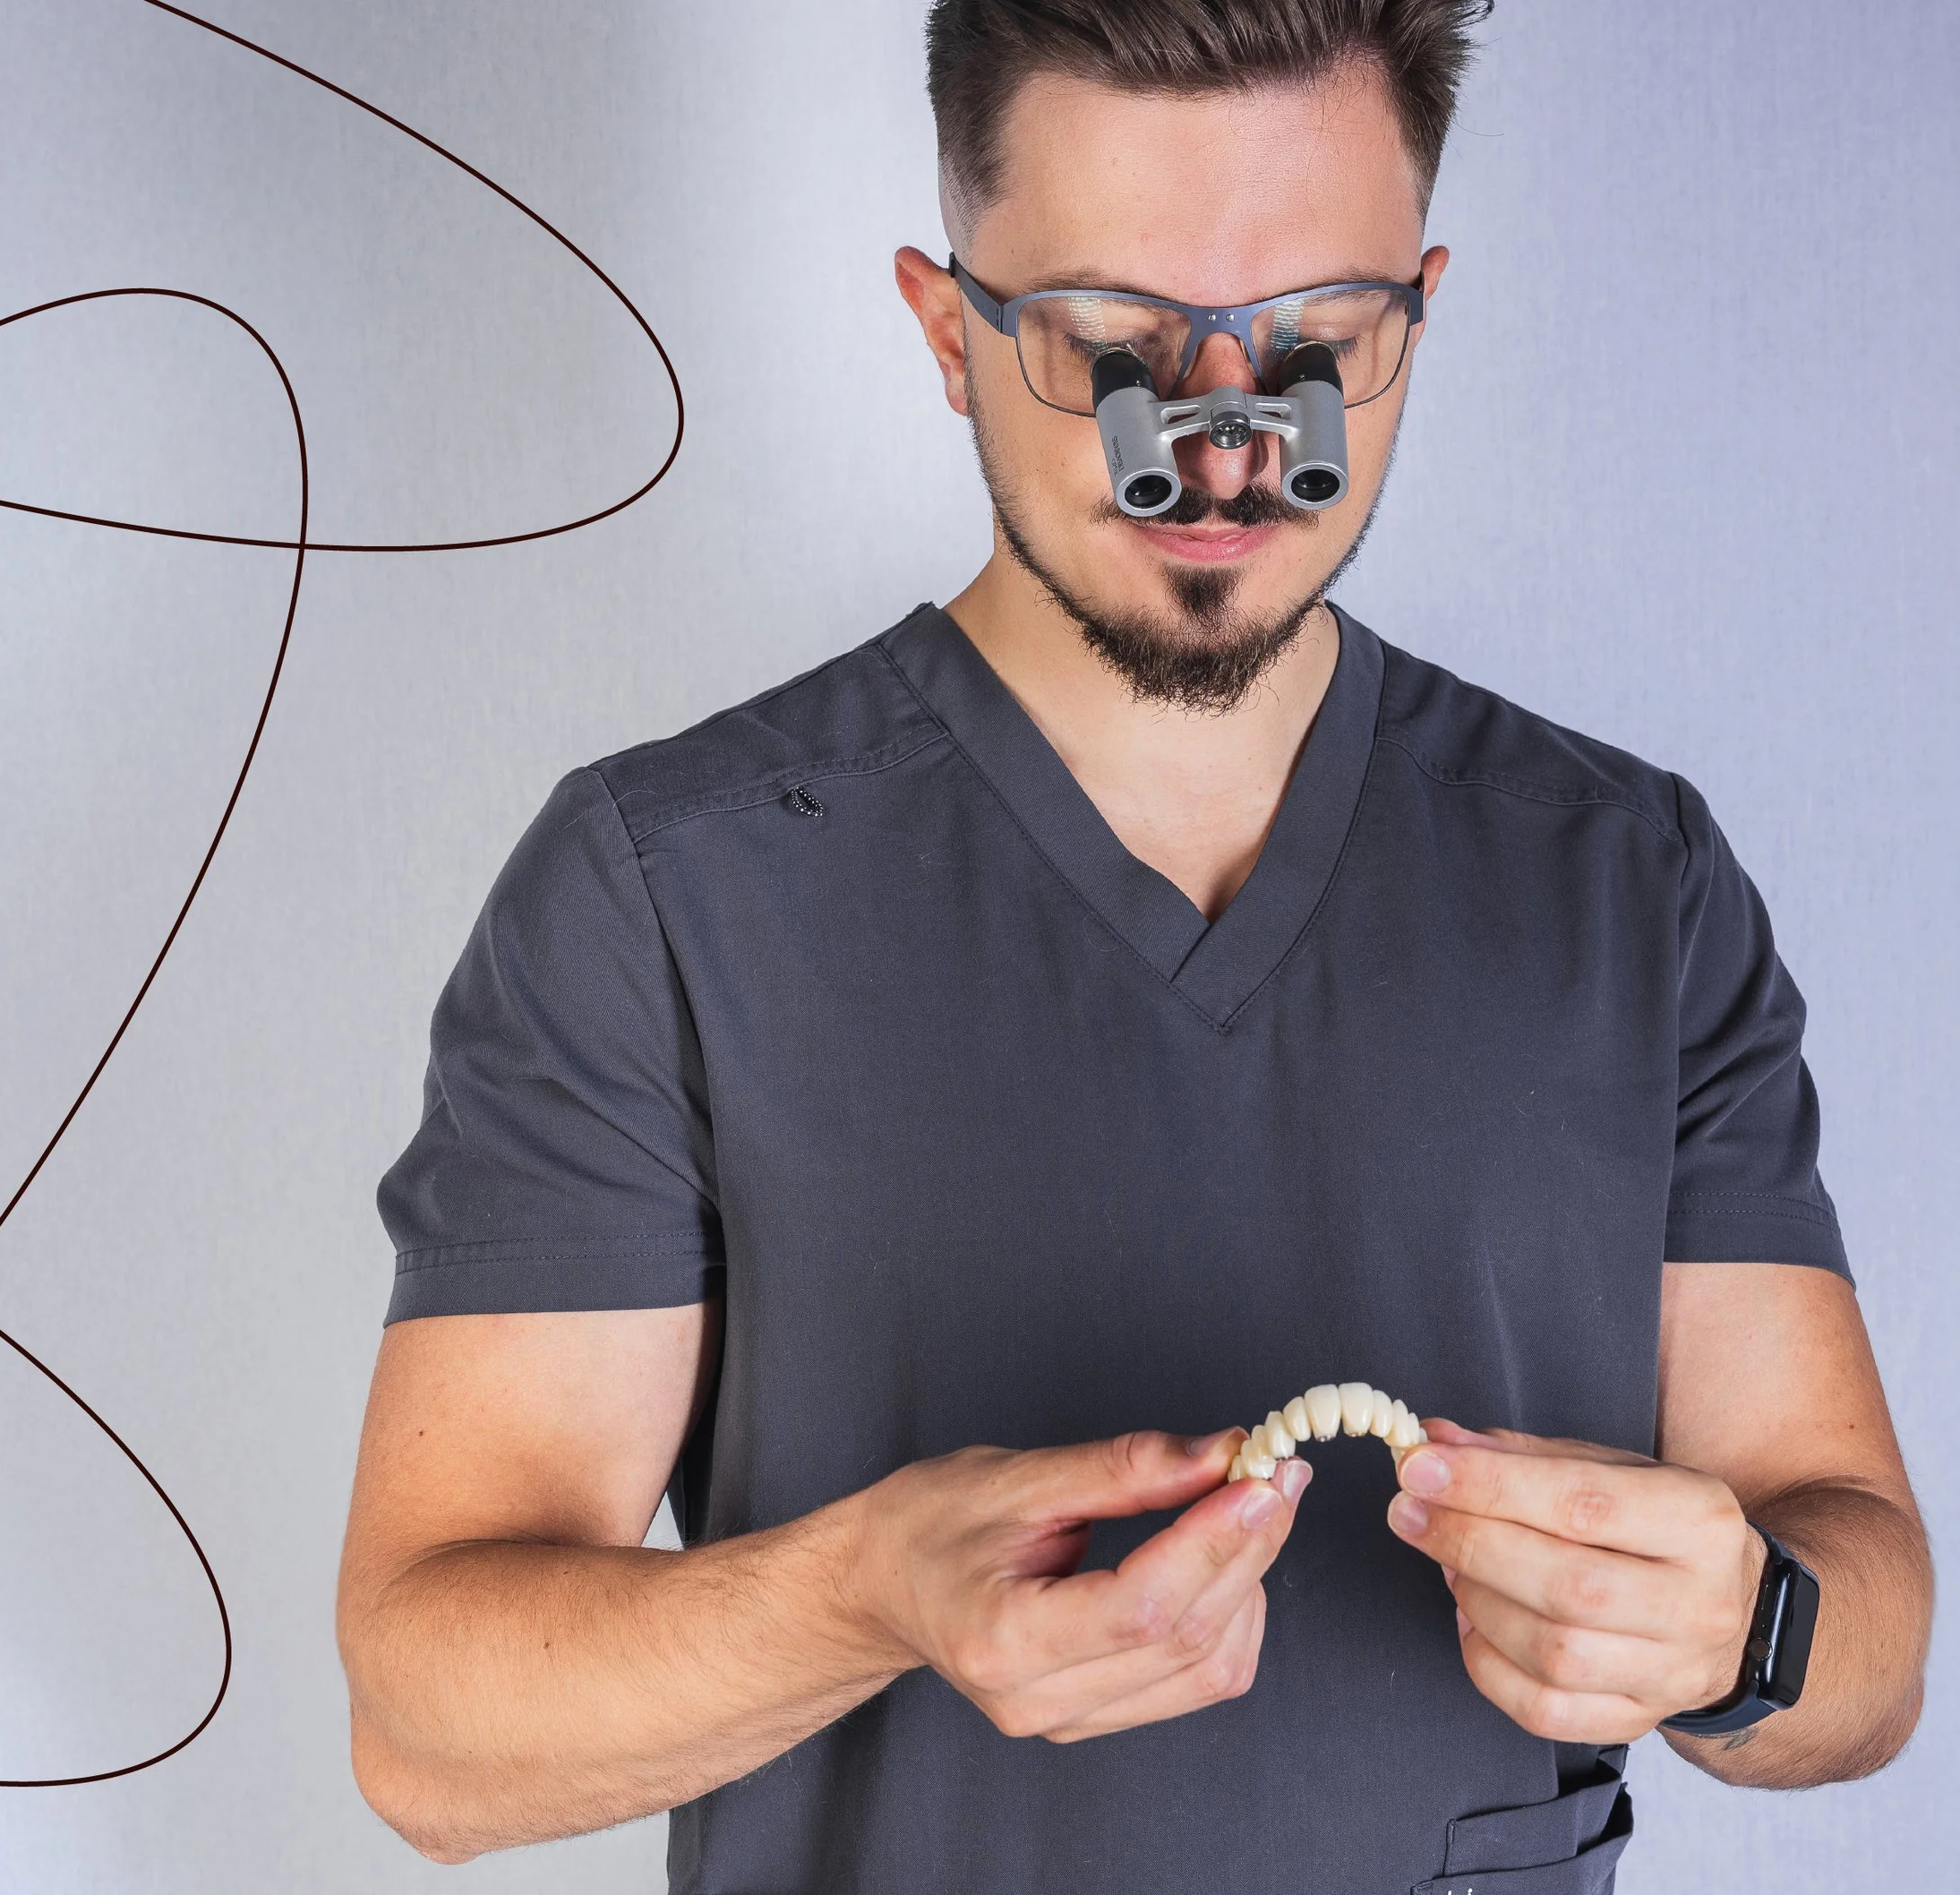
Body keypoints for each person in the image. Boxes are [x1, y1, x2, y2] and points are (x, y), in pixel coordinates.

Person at [336, 3, 1932, 1888]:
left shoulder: (1625, 882)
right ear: (951, 333)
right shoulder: (664, 892)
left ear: (1413, 319)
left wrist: (1741, 1626)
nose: (1226, 443)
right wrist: (872, 1590)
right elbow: (433, 1743)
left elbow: (1868, 1640)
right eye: (1115, 347)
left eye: (1316, 345)